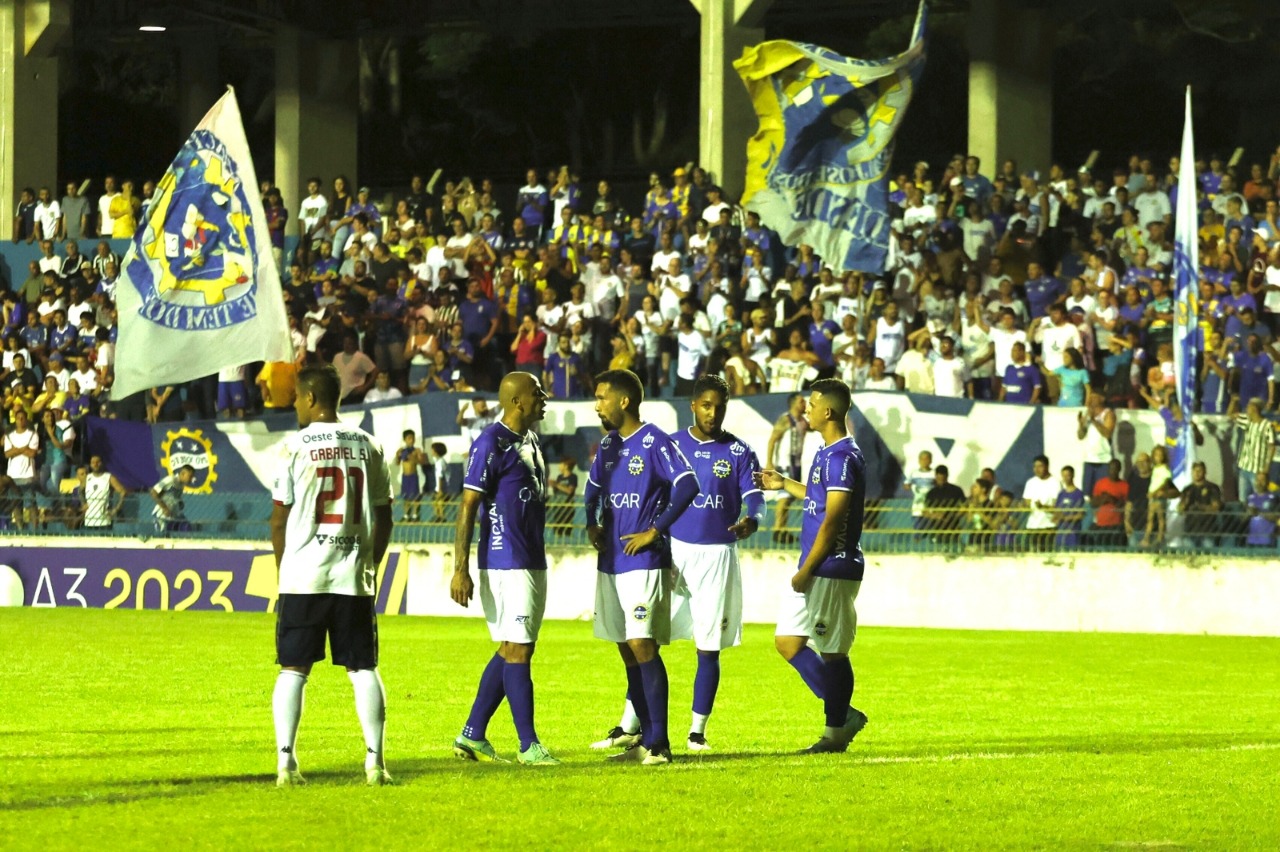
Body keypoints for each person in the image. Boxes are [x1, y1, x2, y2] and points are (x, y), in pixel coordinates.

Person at [594, 375, 763, 753]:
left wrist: (753, 519)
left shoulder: (739, 452)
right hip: (672, 552)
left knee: (708, 646)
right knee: (642, 640)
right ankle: (630, 726)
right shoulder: (670, 443)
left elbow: (755, 497)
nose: (712, 412)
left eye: (719, 406)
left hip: (717, 554)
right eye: (706, 404)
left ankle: (696, 732)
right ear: (693, 404)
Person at [268, 365, 394, 787]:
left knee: (293, 668)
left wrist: (283, 569)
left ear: (308, 398)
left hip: (303, 576)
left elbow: (278, 520)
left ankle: (286, 762)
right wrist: (370, 565)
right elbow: (385, 514)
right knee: (363, 669)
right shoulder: (370, 445)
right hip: (353, 577)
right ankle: (375, 762)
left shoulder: (292, 447)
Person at [584, 369, 700, 765]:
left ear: (624, 401)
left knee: (642, 643)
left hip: (642, 560)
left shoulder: (655, 440)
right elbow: (593, 490)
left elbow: (687, 485)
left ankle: (660, 744)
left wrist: (655, 530)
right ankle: (644, 741)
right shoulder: (608, 446)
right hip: (611, 561)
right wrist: (591, 521)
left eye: (602, 397)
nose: (597, 404)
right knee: (626, 648)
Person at [450, 372, 558, 765]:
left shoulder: (528, 440)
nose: (544, 397)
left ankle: (473, 734)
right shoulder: (490, 443)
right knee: (519, 650)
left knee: (512, 647)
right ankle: (528, 745)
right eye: (537, 392)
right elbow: (467, 507)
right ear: (516, 401)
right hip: (506, 560)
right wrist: (459, 568)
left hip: (529, 558)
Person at [756, 379, 868, 753]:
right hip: (815, 565)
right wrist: (785, 483)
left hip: (830, 567)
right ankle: (843, 712)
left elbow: (833, 520)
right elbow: (819, 499)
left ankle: (835, 733)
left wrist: (807, 570)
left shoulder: (842, 457)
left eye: (813, 402)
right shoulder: (826, 452)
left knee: (833, 652)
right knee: (788, 642)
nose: (806, 408)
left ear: (829, 412)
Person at [766, 393, 809, 544]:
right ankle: (778, 529)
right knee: (783, 496)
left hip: (796, 463)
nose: (805, 404)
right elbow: (772, 440)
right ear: (793, 404)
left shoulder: (803, 421)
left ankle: (783, 528)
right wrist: (769, 462)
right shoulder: (785, 419)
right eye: (802, 401)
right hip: (785, 462)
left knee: (790, 497)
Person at [1077, 392, 1116, 497]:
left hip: (1103, 460)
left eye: (1094, 396)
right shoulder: (1088, 413)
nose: (1091, 399)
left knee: (1102, 493)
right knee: (1087, 495)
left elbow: (1107, 434)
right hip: (1089, 459)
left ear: (1102, 398)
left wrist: (1093, 420)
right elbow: (1080, 436)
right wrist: (1081, 425)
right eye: (1090, 396)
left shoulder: (1108, 414)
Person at [1178, 461, 1222, 549]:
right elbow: (1180, 510)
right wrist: (1185, 502)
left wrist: (1201, 507)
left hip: (1208, 532)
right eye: (1195, 471)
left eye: (1200, 471)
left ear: (1205, 472)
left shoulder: (1212, 488)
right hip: (1190, 532)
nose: (1197, 473)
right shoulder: (1187, 489)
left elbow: (1216, 507)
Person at [1021, 455, 1060, 551]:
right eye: (1035, 466)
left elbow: (1057, 506)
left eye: (1040, 466)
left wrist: (1043, 506)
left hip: (1048, 525)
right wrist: (1023, 505)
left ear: (1047, 467)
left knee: (1047, 553)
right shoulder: (1030, 482)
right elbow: (1027, 503)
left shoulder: (1055, 483)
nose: (1037, 469)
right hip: (1033, 525)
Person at [82, 454, 129, 531]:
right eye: (93, 462)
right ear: (90, 464)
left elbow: (123, 492)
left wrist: (116, 509)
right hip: (89, 520)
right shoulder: (88, 477)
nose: (95, 464)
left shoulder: (108, 477)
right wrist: (83, 502)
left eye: (98, 462)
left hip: (104, 520)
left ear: (102, 463)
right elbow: (80, 490)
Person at [1089, 459, 1129, 549]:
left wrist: (1112, 499)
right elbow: (1093, 503)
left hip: (1116, 525)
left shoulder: (1125, 485)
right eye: (1111, 469)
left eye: (1116, 469)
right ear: (1108, 469)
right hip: (1101, 525)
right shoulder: (1100, 483)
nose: (1113, 472)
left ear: (1119, 470)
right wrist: (1104, 499)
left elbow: (1125, 505)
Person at [150, 465, 196, 535]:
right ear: (183, 474)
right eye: (190, 476)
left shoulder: (181, 485)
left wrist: (180, 503)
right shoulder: (170, 480)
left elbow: (174, 498)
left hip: (173, 515)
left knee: (186, 527)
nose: (191, 479)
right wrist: (164, 508)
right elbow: (154, 492)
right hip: (161, 516)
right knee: (162, 537)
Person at [395, 430, 426, 522]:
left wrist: (413, 458)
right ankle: (406, 515)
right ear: (405, 439)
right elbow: (397, 463)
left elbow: (422, 462)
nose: (411, 440)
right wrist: (398, 456)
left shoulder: (417, 450)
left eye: (413, 438)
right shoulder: (401, 450)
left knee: (415, 497)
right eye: (409, 438)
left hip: (414, 476)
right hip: (405, 476)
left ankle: (415, 515)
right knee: (405, 497)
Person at [1054, 466, 1086, 548]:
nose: (1065, 478)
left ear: (1072, 475)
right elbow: (1057, 510)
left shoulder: (1078, 494)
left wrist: (1067, 518)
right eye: (1063, 476)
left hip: (1073, 532)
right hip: (1061, 531)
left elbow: (1081, 514)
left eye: (1067, 475)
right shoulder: (1061, 494)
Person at [430, 442, 451, 523]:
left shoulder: (440, 462)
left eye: (432, 450)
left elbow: (440, 476)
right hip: (439, 486)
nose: (431, 452)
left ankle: (442, 516)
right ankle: (437, 516)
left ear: (436, 451)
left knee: (440, 502)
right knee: (435, 502)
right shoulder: (439, 461)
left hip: (441, 486)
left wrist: (439, 489)